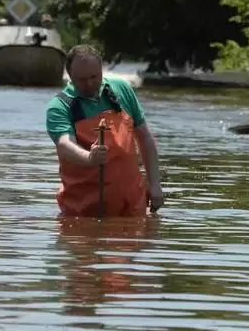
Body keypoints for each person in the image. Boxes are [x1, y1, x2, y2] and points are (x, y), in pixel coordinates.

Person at [45, 44, 164, 217]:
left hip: (132, 203)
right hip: (84, 211)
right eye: (81, 79)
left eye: (94, 76)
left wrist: (154, 184)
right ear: (70, 76)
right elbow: (64, 144)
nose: (89, 83)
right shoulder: (60, 106)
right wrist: (89, 158)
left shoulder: (121, 89)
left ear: (102, 69)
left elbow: (144, 137)